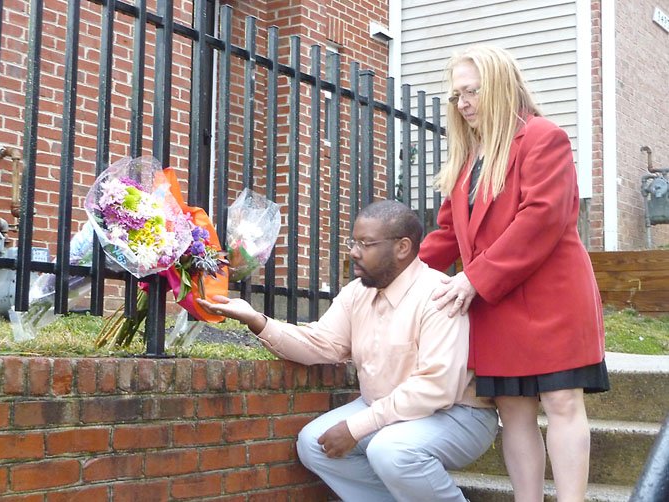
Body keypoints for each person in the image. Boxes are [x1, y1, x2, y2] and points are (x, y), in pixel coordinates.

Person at [198, 199, 498, 502]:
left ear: (403, 248)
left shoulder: (438, 294)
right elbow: (321, 343)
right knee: (314, 444)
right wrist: (257, 320)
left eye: (366, 244)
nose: (354, 252)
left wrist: (357, 427)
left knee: (391, 450)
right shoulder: (357, 292)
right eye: (353, 242)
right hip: (386, 406)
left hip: (456, 414)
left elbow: (436, 387)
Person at [418, 45, 610, 502]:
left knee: (562, 402)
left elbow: (541, 219)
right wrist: (399, 274)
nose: (462, 103)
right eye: (456, 95)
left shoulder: (544, 136)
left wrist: (472, 278)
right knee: (514, 410)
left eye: (472, 91)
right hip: (496, 302)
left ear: (501, 86)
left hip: (550, 299)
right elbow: (448, 232)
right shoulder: (469, 158)